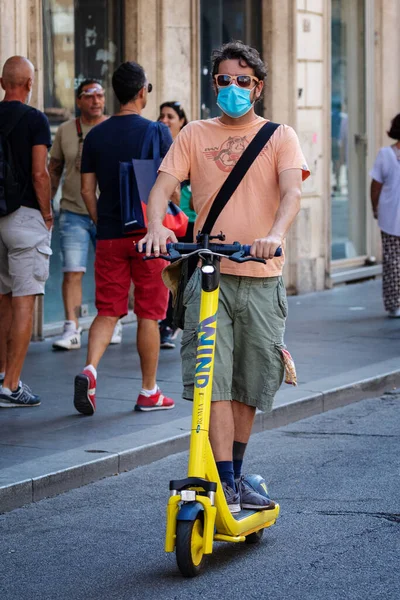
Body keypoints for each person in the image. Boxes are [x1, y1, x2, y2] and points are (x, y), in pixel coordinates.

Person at [139, 41, 310, 512]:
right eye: (223, 80)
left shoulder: (280, 136)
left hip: (260, 274)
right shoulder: (194, 133)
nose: (232, 88)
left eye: (242, 80)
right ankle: (227, 481)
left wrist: (273, 235)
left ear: (258, 86)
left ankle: (233, 471)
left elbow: (291, 192)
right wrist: (156, 225)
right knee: (210, 378)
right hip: (209, 276)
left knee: (250, 382)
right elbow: (162, 188)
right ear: (213, 83)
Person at [73, 61, 175, 415]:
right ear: (142, 91)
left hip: (110, 235)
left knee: (108, 309)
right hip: (149, 235)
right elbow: (169, 186)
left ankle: (90, 369)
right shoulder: (157, 131)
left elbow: (87, 189)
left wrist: (103, 221)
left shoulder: (96, 134)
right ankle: (149, 391)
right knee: (149, 313)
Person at [49, 79, 122, 350]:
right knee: (73, 271)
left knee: (110, 273)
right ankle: (72, 327)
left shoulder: (112, 128)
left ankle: (110, 323)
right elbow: (54, 169)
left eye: (100, 96)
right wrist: (47, 204)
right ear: (78, 101)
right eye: (89, 96)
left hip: (109, 212)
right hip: (73, 211)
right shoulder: (66, 131)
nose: (96, 101)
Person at [0, 56, 52, 407]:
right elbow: (39, 173)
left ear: (3, 83)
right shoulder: (35, 120)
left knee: (3, 299)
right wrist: (47, 213)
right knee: (24, 301)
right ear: (30, 84)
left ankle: (2, 373)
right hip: (24, 218)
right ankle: (12, 385)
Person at [158, 101, 196, 349]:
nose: (165, 120)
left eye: (170, 116)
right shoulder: (158, 145)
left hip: (190, 220)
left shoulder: (191, 145)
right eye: (162, 115)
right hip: (167, 222)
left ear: (182, 120)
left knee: (187, 273)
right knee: (170, 271)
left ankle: (176, 322)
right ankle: (168, 321)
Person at [370, 113, 400, 317]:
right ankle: (394, 303)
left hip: (389, 216)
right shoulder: (385, 155)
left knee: (392, 263)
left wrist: (375, 207)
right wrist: (375, 207)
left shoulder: (385, 154)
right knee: (392, 263)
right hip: (391, 217)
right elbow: (376, 185)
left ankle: (394, 303)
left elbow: (375, 186)